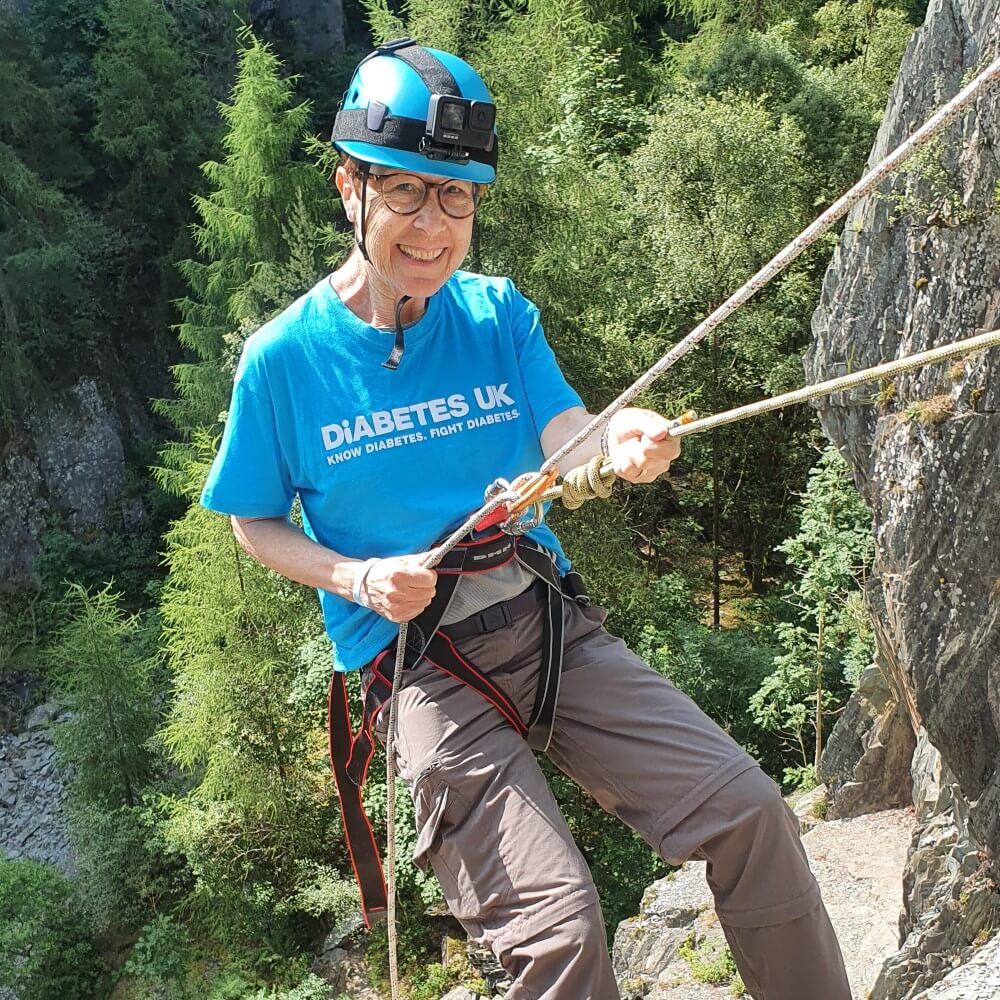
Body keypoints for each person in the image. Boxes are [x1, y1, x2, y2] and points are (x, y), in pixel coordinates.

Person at [201, 39, 851, 1000]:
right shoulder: (285, 360)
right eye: (409, 193)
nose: (434, 225)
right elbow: (251, 520)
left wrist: (617, 439)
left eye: (456, 196)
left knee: (753, 813)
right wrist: (357, 578)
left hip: (545, 625)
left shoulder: (497, 314)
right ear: (351, 190)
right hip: (419, 667)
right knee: (559, 934)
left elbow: (567, 437)